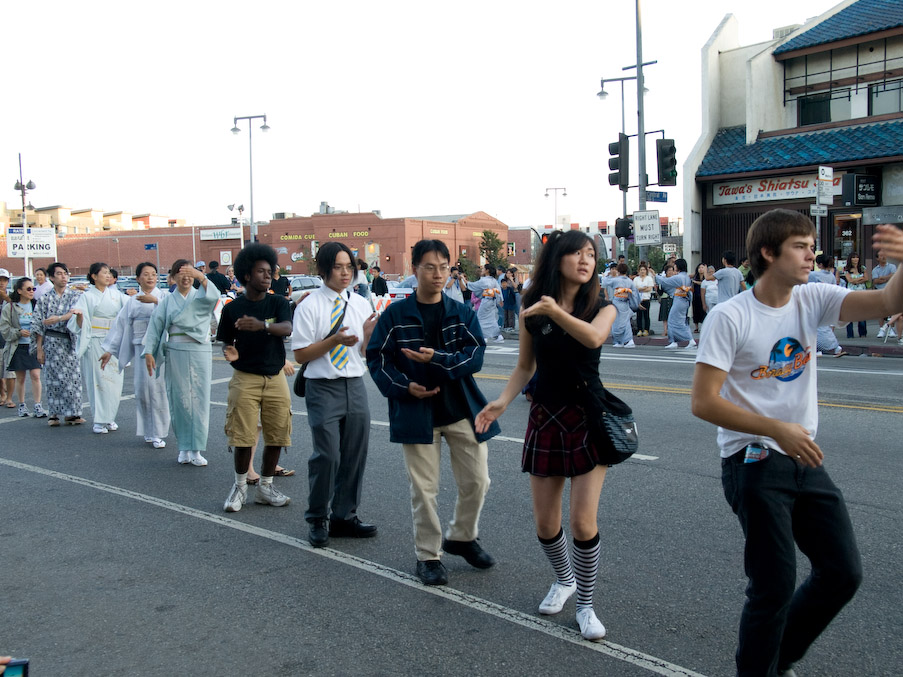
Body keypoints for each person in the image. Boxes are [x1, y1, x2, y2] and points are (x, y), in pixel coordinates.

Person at [691, 208, 903, 676]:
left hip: (803, 457)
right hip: (752, 460)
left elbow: (888, 299)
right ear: (769, 252)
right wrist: (775, 428)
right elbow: (703, 403)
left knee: (842, 572)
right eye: (801, 246)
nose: (812, 255)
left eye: (813, 246)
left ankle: (777, 658)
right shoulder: (730, 317)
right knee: (773, 587)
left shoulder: (813, 299)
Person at [474, 229, 617, 642]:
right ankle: (564, 579)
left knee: (582, 522)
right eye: (576, 253)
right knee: (545, 523)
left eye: (591, 254)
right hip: (545, 416)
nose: (585, 260)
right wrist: (502, 401)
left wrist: (555, 312)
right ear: (557, 260)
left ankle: (586, 604)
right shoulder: (532, 307)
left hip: (588, 416)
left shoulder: (601, 306)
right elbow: (525, 365)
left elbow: (594, 337)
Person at [367, 239, 500, 586]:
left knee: (478, 481)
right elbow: (377, 358)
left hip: (460, 409)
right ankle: (428, 556)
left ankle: (462, 536)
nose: (438, 274)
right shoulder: (396, 316)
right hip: (416, 412)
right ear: (415, 270)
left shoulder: (460, 312)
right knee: (424, 489)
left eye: (443, 267)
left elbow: (476, 356)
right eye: (429, 267)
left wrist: (438, 359)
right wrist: (404, 387)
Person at [291, 241, 379, 548]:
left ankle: (344, 516)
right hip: (322, 387)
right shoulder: (309, 305)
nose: (345, 273)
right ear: (323, 269)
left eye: (349, 267)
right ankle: (317, 517)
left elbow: (364, 352)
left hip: (354, 384)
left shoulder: (361, 304)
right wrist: (334, 341)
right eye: (338, 267)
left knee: (355, 453)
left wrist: (367, 339)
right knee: (327, 455)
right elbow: (301, 355)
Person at [218, 244, 294, 513]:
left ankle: (266, 487)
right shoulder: (233, 308)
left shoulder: (278, 302)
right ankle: (240, 486)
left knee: (277, 435)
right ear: (247, 275)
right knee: (242, 436)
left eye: (269, 271)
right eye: (261, 271)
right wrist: (229, 350)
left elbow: (287, 328)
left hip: (275, 377)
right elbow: (226, 341)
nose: (268, 275)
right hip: (245, 378)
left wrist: (262, 325)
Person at [143, 260, 219, 466]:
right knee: (179, 399)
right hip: (176, 350)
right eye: (181, 273)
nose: (185, 278)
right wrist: (149, 351)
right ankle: (184, 448)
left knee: (200, 399)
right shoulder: (167, 301)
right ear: (173, 277)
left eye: (189, 273)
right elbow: (155, 326)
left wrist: (200, 276)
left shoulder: (201, 296)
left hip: (200, 349)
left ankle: (196, 449)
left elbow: (214, 296)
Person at [100, 262, 170, 448]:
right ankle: (148, 430)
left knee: (157, 390)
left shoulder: (164, 297)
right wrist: (109, 350)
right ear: (138, 278)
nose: (150, 277)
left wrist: (156, 302)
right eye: (146, 274)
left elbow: (173, 314)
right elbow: (120, 327)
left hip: (158, 349)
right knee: (142, 390)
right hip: (140, 348)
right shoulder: (131, 301)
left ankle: (158, 432)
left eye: (153, 274)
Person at [68, 262, 125, 434]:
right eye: (104, 273)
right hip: (94, 341)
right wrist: (79, 317)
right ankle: (99, 421)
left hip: (113, 341)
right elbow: (80, 323)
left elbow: (129, 310)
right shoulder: (87, 297)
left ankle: (110, 417)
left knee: (114, 382)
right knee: (98, 381)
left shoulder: (117, 295)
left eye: (109, 273)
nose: (108, 276)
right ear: (94, 276)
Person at [31, 263, 85, 426]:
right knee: (52, 379)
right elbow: (38, 324)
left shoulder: (75, 295)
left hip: (69, 341)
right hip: (51, 342)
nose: (63, 277)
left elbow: (76, 312)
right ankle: (53, 414)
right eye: (59, 274)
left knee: (73, 379)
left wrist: (59, 318)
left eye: (65, 274)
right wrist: (39, 349)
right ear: (52, 277)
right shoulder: (44, 299)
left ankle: (72, 413)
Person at [0, 277, 45, 418]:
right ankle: (22, 405)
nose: (32, 291)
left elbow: (42, 326)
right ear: (19, 291)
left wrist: (40, 347)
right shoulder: (10, 307)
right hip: (18, 346)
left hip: (33, 345)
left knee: (36, 375)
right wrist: (18, 332)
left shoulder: (36, 306)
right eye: (28, 289)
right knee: (20, 378)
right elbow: (4, 328)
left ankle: (38, 405)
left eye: (33, 289)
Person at [808, 254, 847, 358]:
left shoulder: (813, 275)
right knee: (823, 327)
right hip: (827, 303)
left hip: (815, 303)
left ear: (820, 264)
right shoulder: (831, 276)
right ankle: (833, 347)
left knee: (816, 328)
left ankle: (824, 347)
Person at [657, 259, 696, 349]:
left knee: (674, 321)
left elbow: (664, 281)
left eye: (675, 265)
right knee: (678, 321)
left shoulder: (679, 277)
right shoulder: (686, 277)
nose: (674, 267)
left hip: (679, 300)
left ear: (678, 266)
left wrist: (657, 276)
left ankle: (689, 339)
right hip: (684, 300)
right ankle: (674, 341)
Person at [601, 263, 639, 348]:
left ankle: (624, 340)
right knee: (625, 321)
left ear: (618, 271)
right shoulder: (629, 281)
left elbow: (605, 282)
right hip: (625, 302)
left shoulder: (616, 280)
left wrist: (606, 275)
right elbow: (634, 292)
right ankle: (624, 340)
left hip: (617, 301)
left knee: (618, 321)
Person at [467, 264, 505, 343]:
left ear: (487, 270)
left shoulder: (484, 280)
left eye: (484, 268)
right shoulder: (493, 280)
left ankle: (484, 336)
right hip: (492, 301)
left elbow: (473, 285)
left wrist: (465, 281)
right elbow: (498, 290)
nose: (482, 270)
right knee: (491, 319)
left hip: (486, 300)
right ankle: (498, 335)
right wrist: (500, 300)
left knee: (480, 317)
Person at [843, 253, 869, 338]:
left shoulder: (862, 268)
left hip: (862, 292)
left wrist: (856, 280)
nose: (855, 259)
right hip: (851, 293)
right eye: (853, 258)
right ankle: (850, 334)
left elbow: (866, 278)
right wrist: (860, 278)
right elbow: (850, 280)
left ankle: (863, 333)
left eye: (857, 257)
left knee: (861, 312)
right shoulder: (846, 269)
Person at [872, 251, 898, 338]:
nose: (883, 257)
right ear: (877, 258)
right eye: (881, 256)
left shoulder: (892, 266)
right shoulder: (875, 270)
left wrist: (882, 278)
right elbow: (875, 281)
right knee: (881, 311)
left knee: (891, 311)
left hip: (891, 291)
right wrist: (888, 277)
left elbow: (894, 276)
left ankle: (891, 329)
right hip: (880, 291)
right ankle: (881, 329)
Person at [634, 264, 654, 337]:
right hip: (638, 300)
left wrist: (640, 289)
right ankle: (639, 330)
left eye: (644, 270)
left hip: (646, 299)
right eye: (641, 270)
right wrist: (643, 288)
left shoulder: (649, 278)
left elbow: (649, 288)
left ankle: (646, 330)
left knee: (646, 315)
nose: (642, 271)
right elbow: (635, 289)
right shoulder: (636, 279)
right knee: (638, 315)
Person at [657, 263, 675, 338]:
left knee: (672, 315)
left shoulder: (675, 279)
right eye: (669, 270)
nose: (670, 272)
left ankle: (671, 330)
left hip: (673, 298)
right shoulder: (663, 280)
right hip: (664, 297)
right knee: (664, 315)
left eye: (672, 270)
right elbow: (659, 290)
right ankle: (665, 330)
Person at [692, 263, 708, 332]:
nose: (700, 269)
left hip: (704, 296)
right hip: (696, 296)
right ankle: (696, 327)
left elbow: (705, 283)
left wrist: (696, 282)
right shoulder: (695, 276)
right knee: (695, 311)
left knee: (703, 311)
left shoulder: (706, 277)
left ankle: (704, 326)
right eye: (699, 268)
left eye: (702, 267)